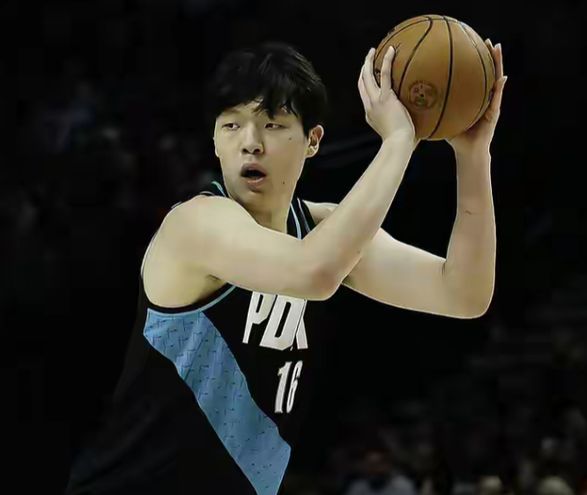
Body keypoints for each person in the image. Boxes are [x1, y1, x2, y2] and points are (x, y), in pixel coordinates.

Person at [64, 39, 506, 494]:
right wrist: (398, 142)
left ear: (313, 140)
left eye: (273, 125)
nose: (250, 143)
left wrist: (473, 155)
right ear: (214, 140)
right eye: (231, 125)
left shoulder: (322, 231)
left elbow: (464, 294)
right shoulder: (195, 224)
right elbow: (314, 273)